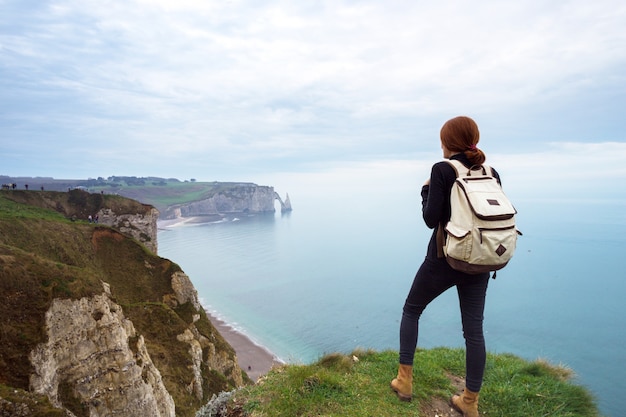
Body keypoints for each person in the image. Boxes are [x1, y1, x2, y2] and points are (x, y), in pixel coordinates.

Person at [390, 116, 499, 417]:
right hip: (479, 260)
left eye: (442, 139)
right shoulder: (491, 171)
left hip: (444, 258)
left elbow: (430, 219)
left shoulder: (442, 170)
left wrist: (426, 190)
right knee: (473, 331)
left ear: (448, 142)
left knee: (412, 309)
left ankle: (404, 382)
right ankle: (470, 402)